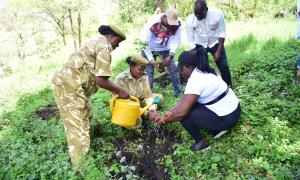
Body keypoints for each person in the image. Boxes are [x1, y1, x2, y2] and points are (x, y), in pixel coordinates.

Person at [51, 25, 130, 168]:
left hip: (73, 86)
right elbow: (101, 80)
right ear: (110, 37)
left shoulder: (97, 42)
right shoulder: (104, 46)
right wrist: (120, 91)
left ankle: (88, 148)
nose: (117, 46)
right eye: (117, 42)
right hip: (69, 87)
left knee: (86, 113)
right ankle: (82, 168)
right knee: (78, 126)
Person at [156, 49, 241, 151]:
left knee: (184, 115)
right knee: (187, 106)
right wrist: (171, 111)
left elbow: (181, 112)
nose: (182, 72)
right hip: (233, 110)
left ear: (189, 66)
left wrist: (164, 120)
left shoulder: (196, 80)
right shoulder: (204, 70)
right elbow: (185, 99)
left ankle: (201, 143)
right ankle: (216, 131)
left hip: (227, 118)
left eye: (182, 68)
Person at [186, 0, 232, 87]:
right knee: (201, 68)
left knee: (224, 66)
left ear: (206, 9)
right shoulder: (190, 19)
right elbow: (190, 39)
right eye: (196, 13)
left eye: (200, 14)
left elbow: (222, 33)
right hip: (200, 44)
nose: (198, 16)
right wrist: (195, 54)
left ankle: (228, 86)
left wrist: (218, 51)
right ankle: (205, 88)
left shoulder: (217, 14)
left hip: (216, 42)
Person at [141, 7, 182, 96]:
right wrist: (152, 61)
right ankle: (149, 94)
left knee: (173, 68)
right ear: (164, 17)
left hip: (166, 48)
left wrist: (171, 55)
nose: (171, 26)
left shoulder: (177, 23)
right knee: (149, 70)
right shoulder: (153, 21)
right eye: (169, 23)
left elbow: (176, 40)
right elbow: (144, 43)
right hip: (150, 48)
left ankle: (178, 92)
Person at [115, 54, 163, 128]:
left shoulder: (144, 76)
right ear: (132, 66)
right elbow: (125, 103)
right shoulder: (121, 79)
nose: (142, 72)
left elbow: (148, 95)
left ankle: (145, 114)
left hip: (141, 101)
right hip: (128, 106)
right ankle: (141, 116)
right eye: (140, 69)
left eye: (143, 69)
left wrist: (151, 110)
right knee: (136, 123)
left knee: (159, 98)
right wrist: (146, 112)